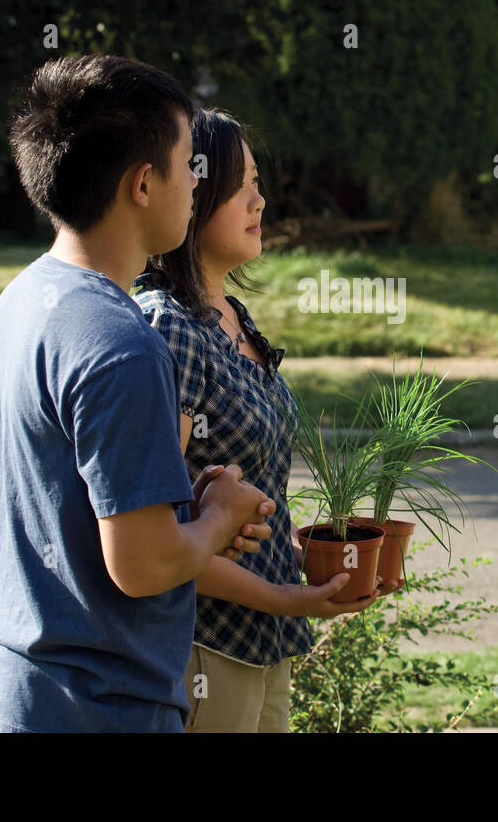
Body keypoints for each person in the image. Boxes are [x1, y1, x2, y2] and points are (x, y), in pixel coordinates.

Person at [0, 55, 275, 733]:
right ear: (143, 184)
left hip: (17, 693)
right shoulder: (123, 342)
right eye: (190, 163)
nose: (198, 183)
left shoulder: (21, 302)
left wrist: (183, 502)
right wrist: (216, 517)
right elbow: (143, 563)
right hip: (102, 707)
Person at [135, 108, 384, 733]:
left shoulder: (232, 315)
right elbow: (159, 530)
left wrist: (298, 548)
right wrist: (291, 598)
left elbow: (245, 484)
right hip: (208, 645)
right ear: (194, 190)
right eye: (242, 184)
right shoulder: (169, 327)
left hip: (265, 643)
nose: (260, 200)